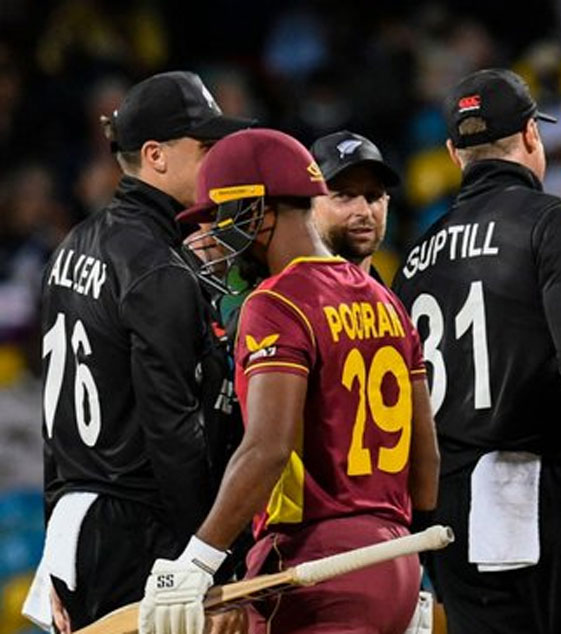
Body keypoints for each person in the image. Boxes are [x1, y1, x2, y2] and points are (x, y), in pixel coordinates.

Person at [392, 68, 561, 634]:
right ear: (531, 135)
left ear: (453, 154)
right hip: (559, 492)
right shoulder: (553, 220)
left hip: (457, 511)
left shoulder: (414, 260)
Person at [137, 128, 441, 634]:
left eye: (221, 216)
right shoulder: (386, 300)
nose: (215, 233)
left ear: (256, 211)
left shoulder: (275, 303)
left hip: (316, 564)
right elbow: (426, 466)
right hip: (398, 561)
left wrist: (196, 561)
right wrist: (405, 560)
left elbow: (268, 448)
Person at [23, 71, 252, 632]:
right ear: (155, 155)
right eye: (205, 147)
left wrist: (57, 547)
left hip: (79, 522)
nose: (218, 160)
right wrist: (208, 557)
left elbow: (55, 424)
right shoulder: (157, 266)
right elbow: (173, 431)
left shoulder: (72, 244)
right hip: (139, 529)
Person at [309, 130, 400, 280]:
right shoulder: (280, 293)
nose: (364, 212)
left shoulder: (396, 293)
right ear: (308, 207)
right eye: (344, 195)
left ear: (387, 203)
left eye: (373, 196)